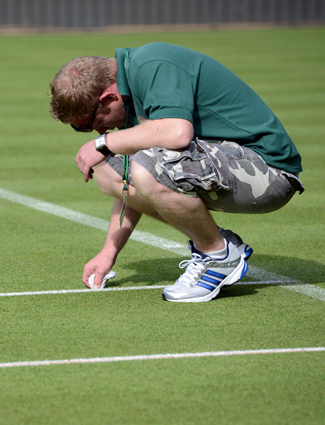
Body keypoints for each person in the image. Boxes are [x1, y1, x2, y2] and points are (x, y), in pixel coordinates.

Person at [48, 42, 304, 302]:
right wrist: (109, 251)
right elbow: (128, 180)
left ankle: (218, 256)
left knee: (144, 164)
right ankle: (219, 242)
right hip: (233, 167)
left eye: (90, 124)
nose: (99, 132)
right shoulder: (134, 84)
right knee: (106, 169)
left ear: (109, 98)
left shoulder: (152, 64)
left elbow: (177, 133)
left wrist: (102, 144)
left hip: (268, 172)